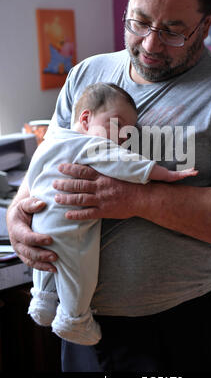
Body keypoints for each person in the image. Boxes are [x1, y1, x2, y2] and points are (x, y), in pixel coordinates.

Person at [7, 0, 211, 372]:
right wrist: (17, 215)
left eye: (174, 29)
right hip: (82, 325)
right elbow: (48, 163)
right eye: (139, 21)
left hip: (188, 330)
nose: (151, 44)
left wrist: (134, 199)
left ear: (207, 21)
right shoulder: (85, 78)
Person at [26, 82, 196, 346]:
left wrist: (26, 206)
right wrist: (167, 174)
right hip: (71, 229)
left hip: (41, 221)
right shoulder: (89, 144)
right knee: (78, 274)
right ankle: (74, 319)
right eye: (116, 125)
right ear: (85, 119)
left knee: (47, 267)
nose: (122, 139)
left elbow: (32, 176)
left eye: (127, 134)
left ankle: (43, 300)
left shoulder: (51, 141)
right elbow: (127, 164)